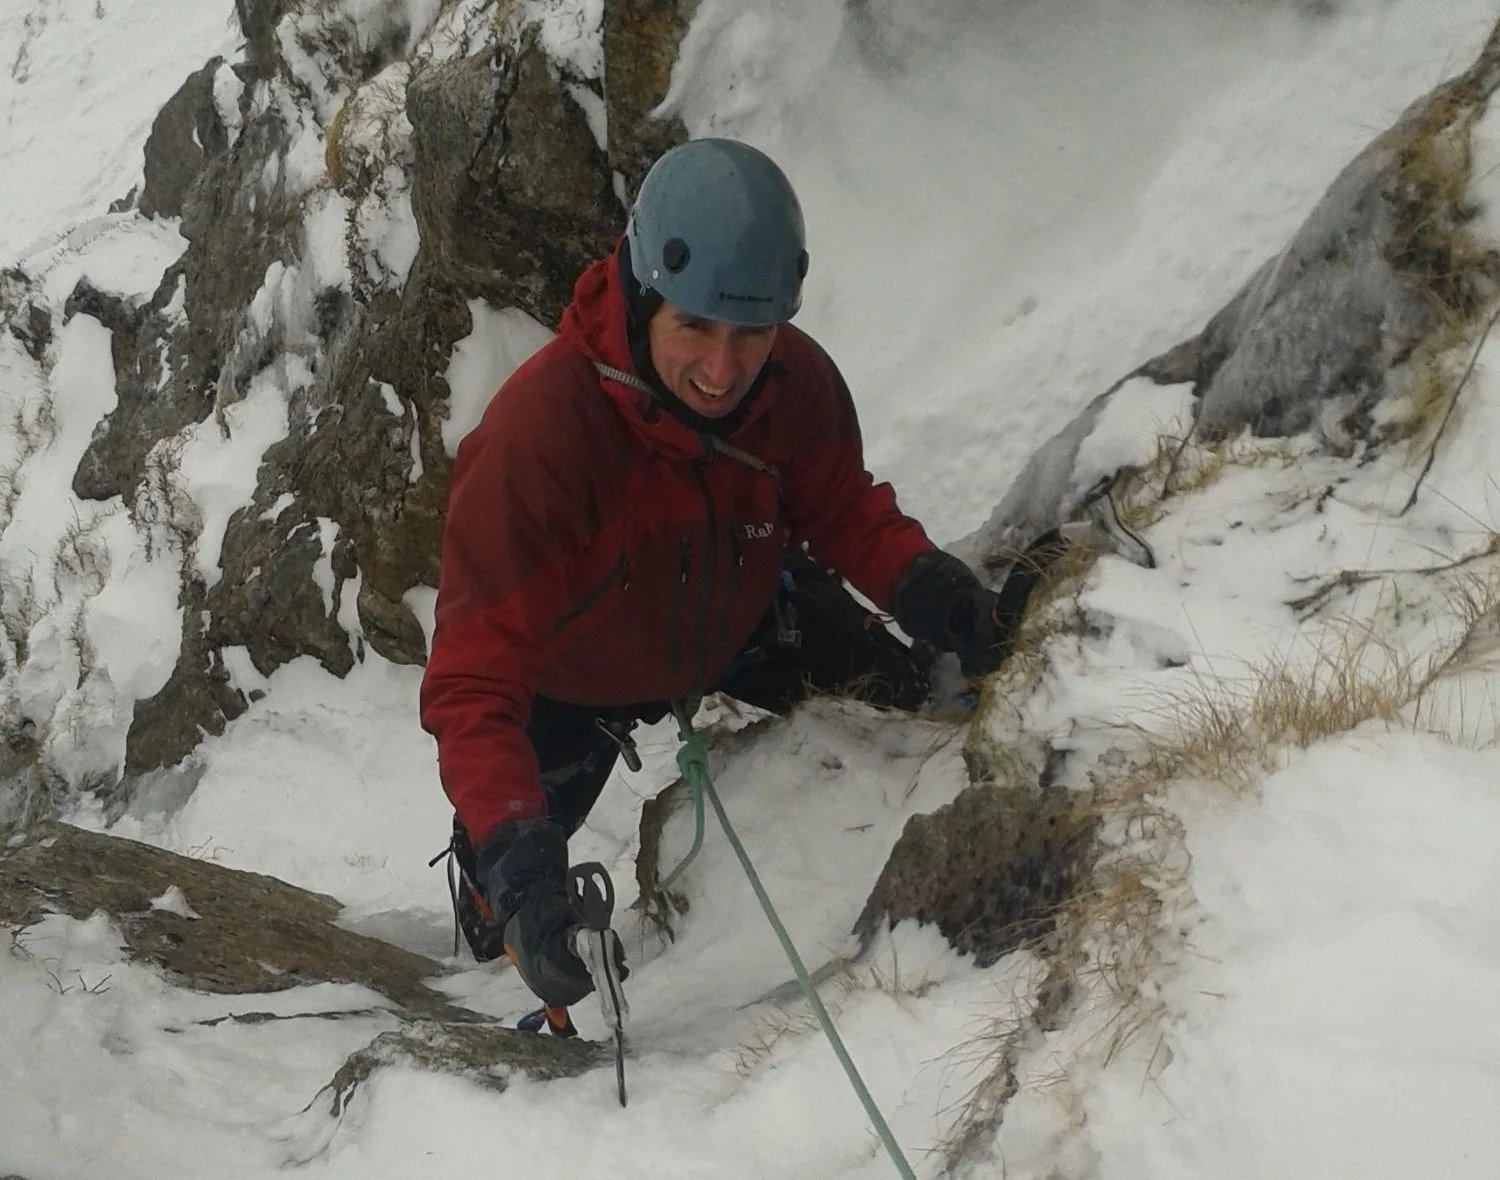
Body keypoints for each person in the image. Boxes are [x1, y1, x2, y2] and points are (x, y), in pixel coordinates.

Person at [420, 138, 1053, 1011]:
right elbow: (476, 680)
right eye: (696, 328)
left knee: (924, 701)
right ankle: (493, 885)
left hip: (742, 618)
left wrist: (925, 585)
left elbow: (839, 506)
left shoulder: (794, 385)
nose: (722, 370)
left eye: (752, 333)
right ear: (645, 298)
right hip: (575, 678)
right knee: (516, 915)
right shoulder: (539, 442)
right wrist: (517, 855)